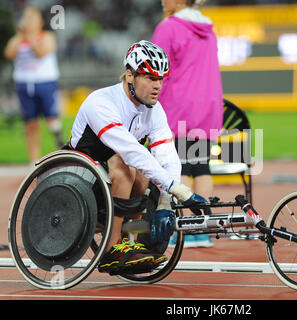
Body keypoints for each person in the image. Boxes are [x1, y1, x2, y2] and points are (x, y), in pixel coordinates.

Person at [68, 40, 209, 274]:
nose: (157, 86)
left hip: (111, 176)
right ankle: (111, 250)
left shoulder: (154, 110)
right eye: (150, 78)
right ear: (129, 75)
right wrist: (178, 189)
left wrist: (166, 202)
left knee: (146, 173)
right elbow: (131, 152)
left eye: (161, 79)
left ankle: (129, 243)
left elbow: (167, 156)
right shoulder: (101, 102)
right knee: (127, 166)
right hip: (79, 174)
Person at [152, 0, 223, 248]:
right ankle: (201, 229)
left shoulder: (168, 28)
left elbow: (156, 69)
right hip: (208, 104)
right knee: (201, 166)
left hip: (179, 104)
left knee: (178, 165)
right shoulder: (208, 28)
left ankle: (183, 228)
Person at [4, 6, 63, 164]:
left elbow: (41, 52)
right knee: (30, 123)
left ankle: (59, 140)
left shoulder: (47, 36)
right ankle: (33, 161)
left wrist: (29, 37)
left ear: (40, 21)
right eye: (26, 17)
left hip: (45, 83)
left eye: (32, 17)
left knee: (51, 119)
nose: (28, 20)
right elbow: (8, 53)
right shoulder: (18, 39)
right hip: (24, 84)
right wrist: (19, 36)